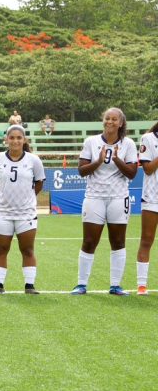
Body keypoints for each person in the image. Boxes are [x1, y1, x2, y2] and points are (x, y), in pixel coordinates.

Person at [71, 107, 137, 296]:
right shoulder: (91, 142)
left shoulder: (128, 144)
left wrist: (116, 159)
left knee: (117, 241)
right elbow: (82, 170)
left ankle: (115, 285)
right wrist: (99, 161)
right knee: (90, 241)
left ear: (121, 123)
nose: (110, 122)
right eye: (107, 118)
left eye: (114, 119)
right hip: (94, 197)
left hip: (118, 198)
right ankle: (81, 284)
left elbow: (132, 173)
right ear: (103, 121)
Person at [0, 125, 46, 294]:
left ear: (24, 140)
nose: (15, 141)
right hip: (3, 213)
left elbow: (39, 183)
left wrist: (28, 197)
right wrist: (4, 197)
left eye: (19, 138)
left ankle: (29, 286)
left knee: (27, 249)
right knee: (1, 249)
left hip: (26, 213)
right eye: (12, 138)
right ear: (6, 140)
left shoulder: (34, 160)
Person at [136, 121, 158, 294]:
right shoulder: (148, 138)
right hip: (153, 197)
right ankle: (141, 285)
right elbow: (148, 169)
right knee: (147, 239)